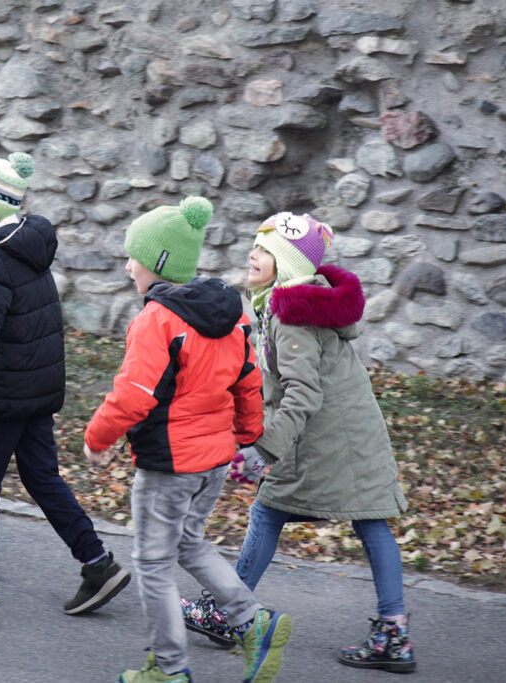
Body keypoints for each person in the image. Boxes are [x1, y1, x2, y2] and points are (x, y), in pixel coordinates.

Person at [182, 212, 416, 674]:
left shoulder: (291, 316)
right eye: (255, 244)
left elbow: (302, 391)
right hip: (338, 434)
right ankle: (394, 630)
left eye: (266, 250)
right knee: (363, 520)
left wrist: (264, 448)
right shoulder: (285, 305)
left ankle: (229, 613)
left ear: (287, 265)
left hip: (329, 438)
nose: (253, 254)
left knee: (276, 511)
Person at [83, 197, 292, 683]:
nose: (126, 265)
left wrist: (97, 439)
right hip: (214, 458)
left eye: (132, 256)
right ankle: (252, 623)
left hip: (169, 464)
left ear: (155, 264)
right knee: (189, 543)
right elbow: (248, 379)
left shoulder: (157, 320)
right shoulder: (233, 311)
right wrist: (244, 437)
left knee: (152, 563)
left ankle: (171, 670)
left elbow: (133, 396)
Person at [0, 152, 130, 615]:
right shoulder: (25, 244)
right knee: (40, 476)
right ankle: (98, 563)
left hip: (6, 388)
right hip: (33, 384)